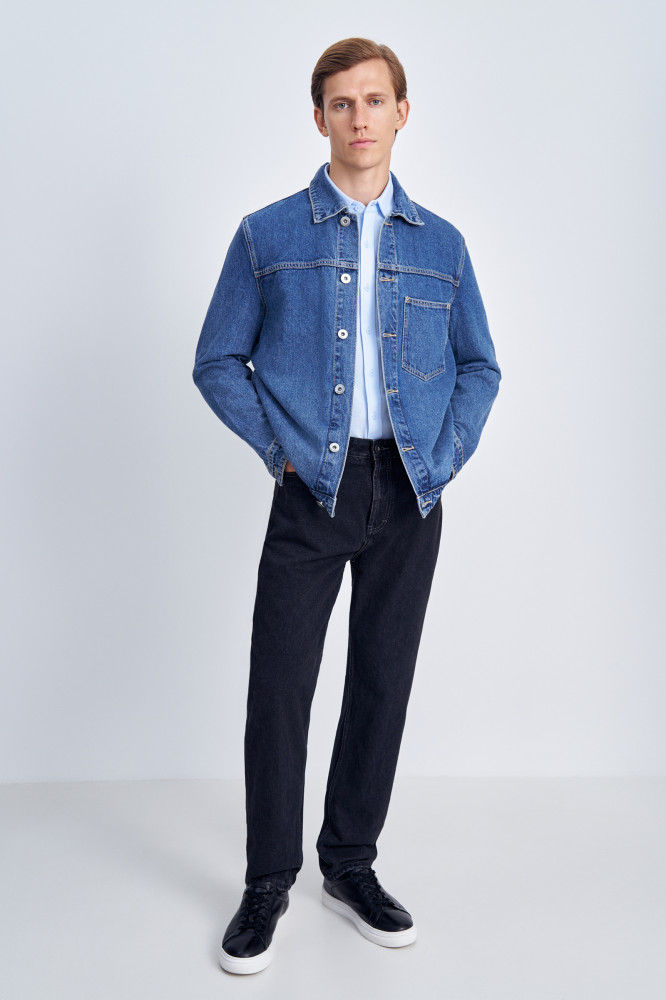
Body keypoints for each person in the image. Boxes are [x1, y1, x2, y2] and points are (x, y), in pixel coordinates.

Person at [192, 36, 501, 975]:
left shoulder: (442, 245)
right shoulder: (268, 236)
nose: (359, 118)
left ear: (402, 113)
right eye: (341, 102)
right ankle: (268, 881)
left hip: (410, 492)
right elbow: (217, 359)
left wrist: (441, 458)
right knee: (280, 686)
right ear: (319, 117)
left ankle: (350, 864)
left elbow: (480, 366)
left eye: (374, 101)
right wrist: (281, 450)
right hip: (312, 491)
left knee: (381, 681)